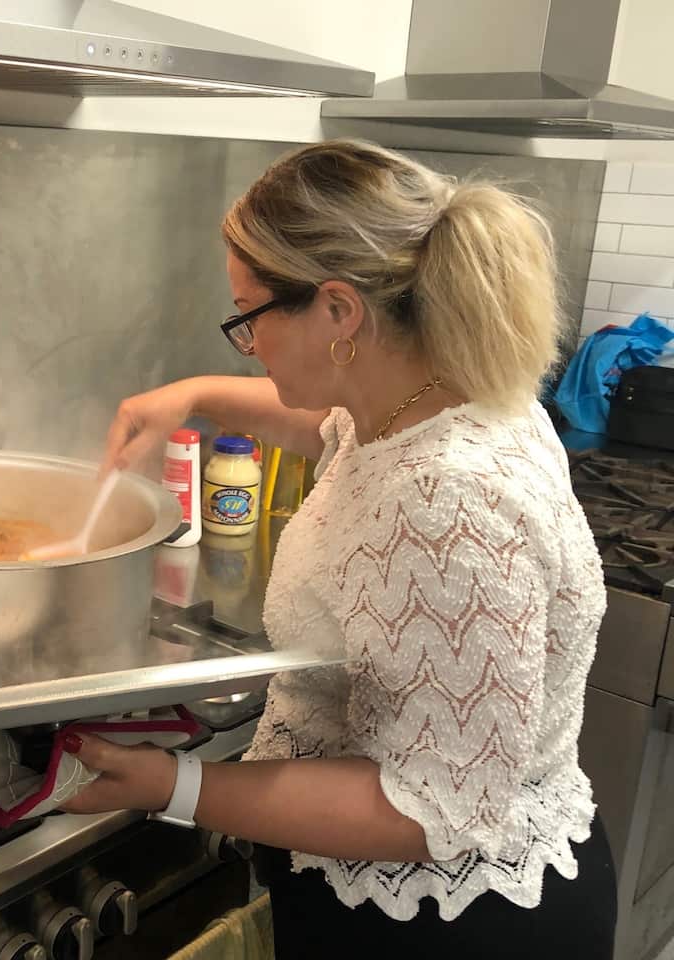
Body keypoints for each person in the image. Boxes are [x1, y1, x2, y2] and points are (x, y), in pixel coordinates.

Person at [60, 140, 617, 958]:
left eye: (249, 316)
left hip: (448, 924)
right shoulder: (439, 390)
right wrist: (195, 396)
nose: (244, 340)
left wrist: (174, 785)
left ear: (338, 311)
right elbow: (328, 422)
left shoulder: (444, 504)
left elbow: (434, 812)